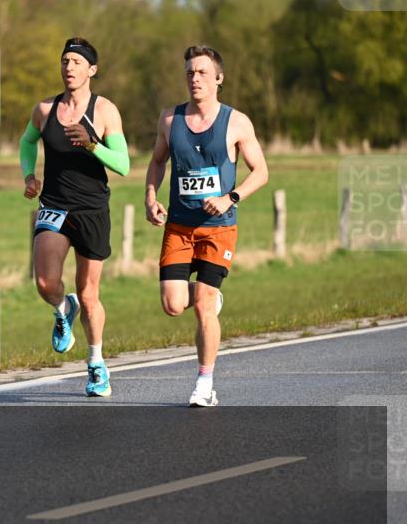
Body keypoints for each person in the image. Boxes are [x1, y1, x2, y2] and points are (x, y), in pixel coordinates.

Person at [144, 45, 269, 407]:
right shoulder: (170, 120)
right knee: (172, 303)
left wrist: (231, 197)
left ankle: (205, 383)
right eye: (189, 73)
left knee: (202, 303)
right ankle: (208, 298)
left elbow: (260, 172)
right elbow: (156, 162)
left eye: (201, 73)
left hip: (219, 227)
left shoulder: (237, 122)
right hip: (180, 227)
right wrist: (151, 198)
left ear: (218, 78)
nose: (194, 79)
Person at [20, 37, 130, 397]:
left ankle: (96, 363)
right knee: (44, 283)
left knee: (89, 293)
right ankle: (62, 307)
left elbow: (125, 166)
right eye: (65, 60)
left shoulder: (105, 111)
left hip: (92, 209)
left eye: (77, 62)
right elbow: (26, 142)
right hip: (54, 204)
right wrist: (29, 174)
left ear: (91, 70)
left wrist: (92, 144)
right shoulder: (45, 109)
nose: (69, 67)